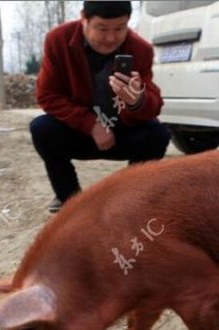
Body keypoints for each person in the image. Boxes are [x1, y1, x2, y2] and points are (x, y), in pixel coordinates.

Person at [30, 1, 171, 213]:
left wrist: (136, 101)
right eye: (102, 28)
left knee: (157, 134)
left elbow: (155, 104)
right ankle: (69, 199)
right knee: (42, 128)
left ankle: (131, 199)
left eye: (120, 28)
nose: (111, 38)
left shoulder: (141, 49)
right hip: (81, 133)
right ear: (83, 18)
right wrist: (91, 124)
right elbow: (47, 95)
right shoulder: (58, 40)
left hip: (122, 133)